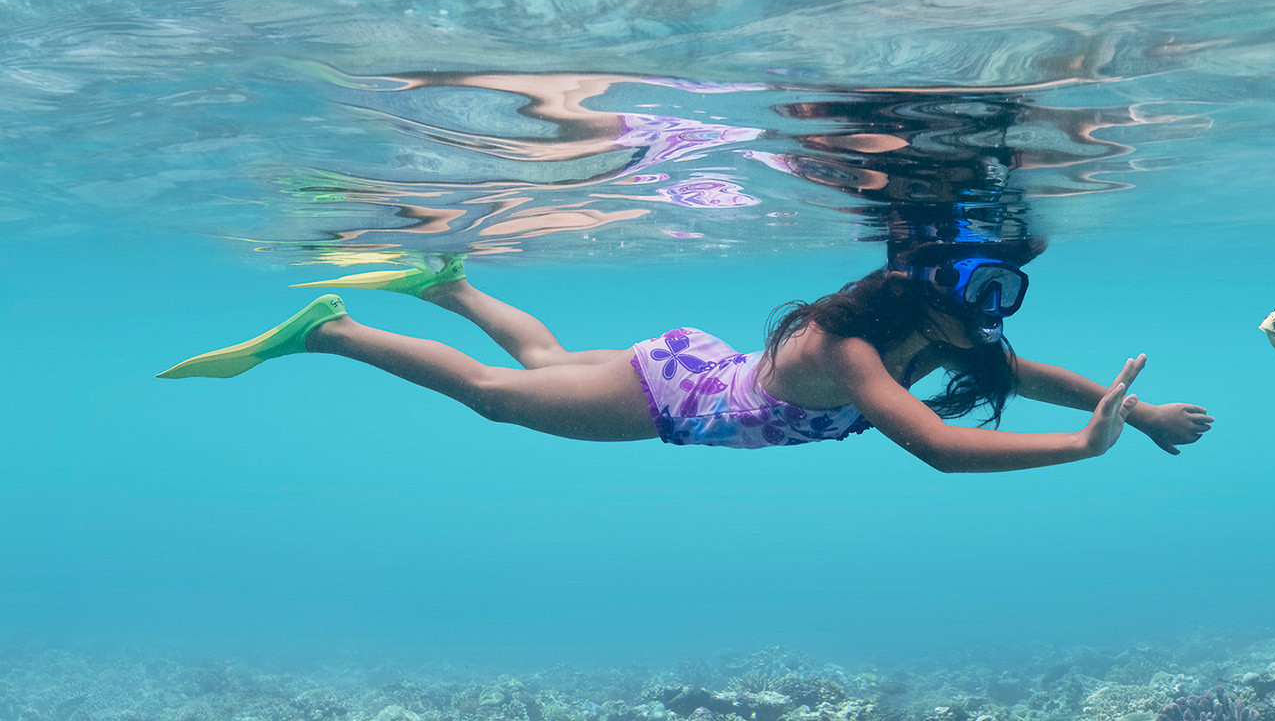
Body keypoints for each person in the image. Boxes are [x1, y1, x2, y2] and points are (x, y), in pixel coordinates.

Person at [156, 241, 1214, 473]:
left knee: (549, 361)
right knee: (496, 398)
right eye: (971, 301)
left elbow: (1025, 374)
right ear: (916, 292)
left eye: (998, 302)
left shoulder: (942, 328)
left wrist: (1148, 414)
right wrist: (1081, 449)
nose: (987, 324)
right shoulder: (853, 352)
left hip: (700, 370)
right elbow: (934, 445)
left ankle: (449, 283)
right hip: (682, 396)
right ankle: (331, 331)